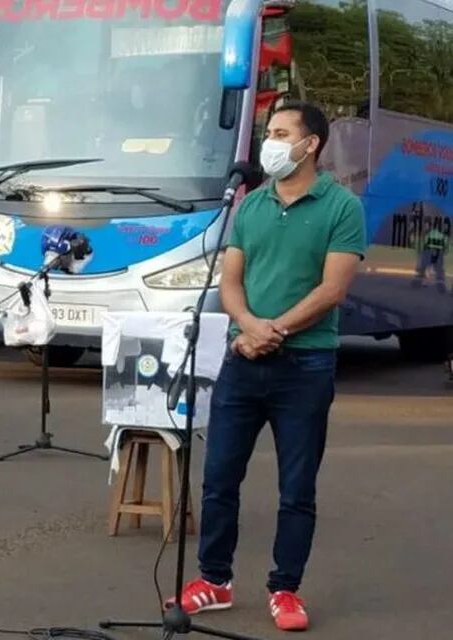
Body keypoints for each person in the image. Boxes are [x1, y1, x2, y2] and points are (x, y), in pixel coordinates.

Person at [168, 101, 366, 632]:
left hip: (304, 366)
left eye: (281, 133)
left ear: (311, 145)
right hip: (242, 361)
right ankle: (214, 579)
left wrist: (271, 330)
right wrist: (248, 326)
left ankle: (285, 588)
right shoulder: (250, 206)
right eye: (268, 132)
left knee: (296, 487)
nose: (270, 142)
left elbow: (333, 289)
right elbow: (230, 279)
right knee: (219, 478)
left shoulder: (341, 208)